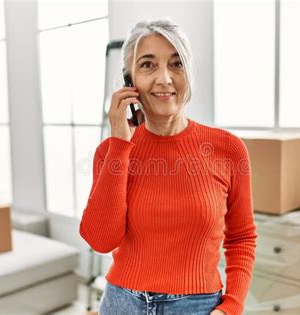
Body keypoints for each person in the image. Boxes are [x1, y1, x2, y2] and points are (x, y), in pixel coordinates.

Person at [79, 18, 257, 315]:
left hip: (198, 307)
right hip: (122, 304)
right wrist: (120, 144)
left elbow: (241, 237)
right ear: (129, 80)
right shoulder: (110, 153)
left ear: (189, 73)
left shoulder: (228, 148)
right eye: (148, 65)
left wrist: (232, 307)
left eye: (176, 64)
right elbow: (101, 239)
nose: (164, 79)